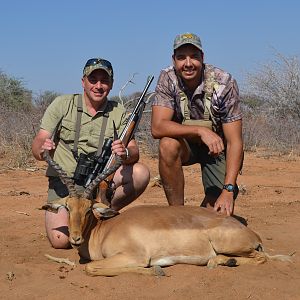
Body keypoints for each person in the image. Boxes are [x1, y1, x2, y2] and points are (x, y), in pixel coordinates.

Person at [32, 58, 150, 248]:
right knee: (60, 241)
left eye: (104, 81)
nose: (98, 85)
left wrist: (125, 152)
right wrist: (42, 149)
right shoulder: (62, 104)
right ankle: (90, 218)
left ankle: (102, 213)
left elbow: (134, 152)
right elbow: (39, 140)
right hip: (65, 185)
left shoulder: (118, 112)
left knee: (140, 173)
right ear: (83, 82)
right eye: (93, 79)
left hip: (96, 183)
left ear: (111, 85)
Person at [151, 33, 243, 216]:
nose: (188, 63)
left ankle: (211, 203)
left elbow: (235, 142)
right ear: (173, 60)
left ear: (203, 58)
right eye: (181, 57)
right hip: (186, 144)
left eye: (194, 56)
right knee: (167, 144)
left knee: (215, 215)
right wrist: (200, 131)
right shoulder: (167, 78)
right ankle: (177, 215)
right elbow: (157, 127)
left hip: (218, 149)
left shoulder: (224, 82)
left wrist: (229, 189)